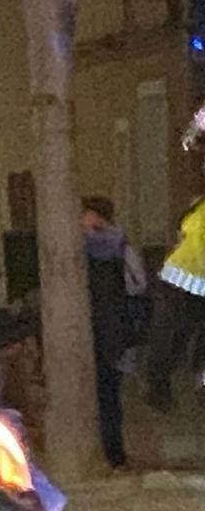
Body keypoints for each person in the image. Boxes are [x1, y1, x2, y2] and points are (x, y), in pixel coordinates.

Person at [82, 196, 147, 469]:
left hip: (103, 328)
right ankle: (114, 454)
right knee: (109, 394)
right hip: (114, 329)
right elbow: (138, 285)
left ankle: (112, 454)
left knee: (105, 392)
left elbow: (137, 285)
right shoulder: (122, 246)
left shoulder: (93, 248)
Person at [146, 197, 205, 411]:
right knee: (173, 339)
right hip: (182, 287)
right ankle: (160, 388)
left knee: (177, 339)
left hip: (185, 286)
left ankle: (162, 388)